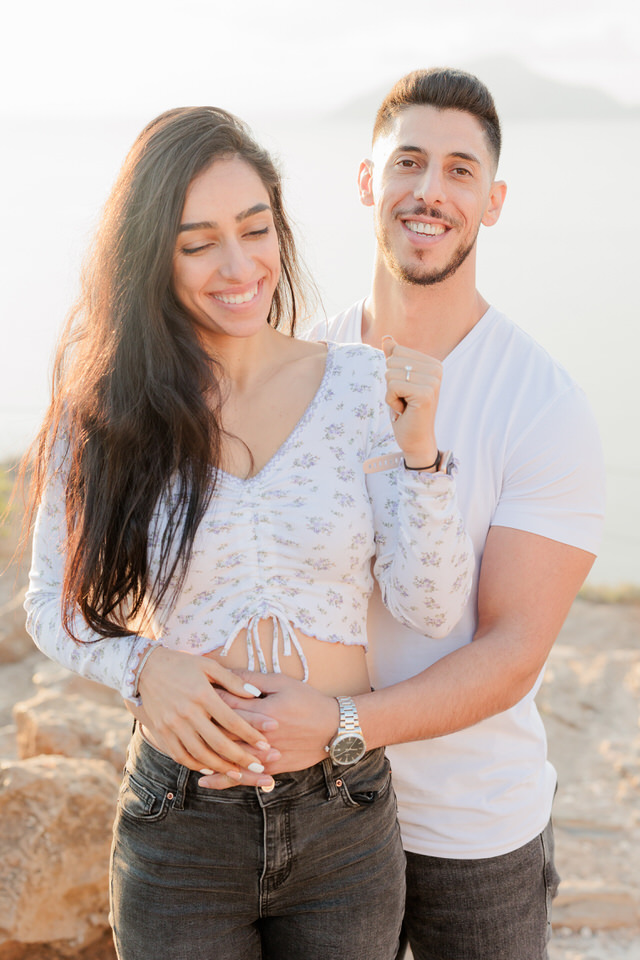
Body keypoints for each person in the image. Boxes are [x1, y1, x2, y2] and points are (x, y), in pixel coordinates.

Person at [23, 105, 474, 960]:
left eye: (255, 229)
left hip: (343, 813)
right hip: (181, 820)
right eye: (198, 243)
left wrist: (422, 459)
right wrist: (143, 664)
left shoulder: (356, 385)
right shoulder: (108, 411)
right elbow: (52, 601)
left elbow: (430, 604)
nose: (239, 267)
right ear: (151, 256)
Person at [190, 69, 606, 960]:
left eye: (461, 171)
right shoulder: (294, 363)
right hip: (304, 820)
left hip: (468, 829)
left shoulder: (544, 403)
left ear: (493, 202)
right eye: (409, 162)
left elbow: (510, 653)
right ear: (367, 183)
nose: (431, 190)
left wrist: (344, 726)